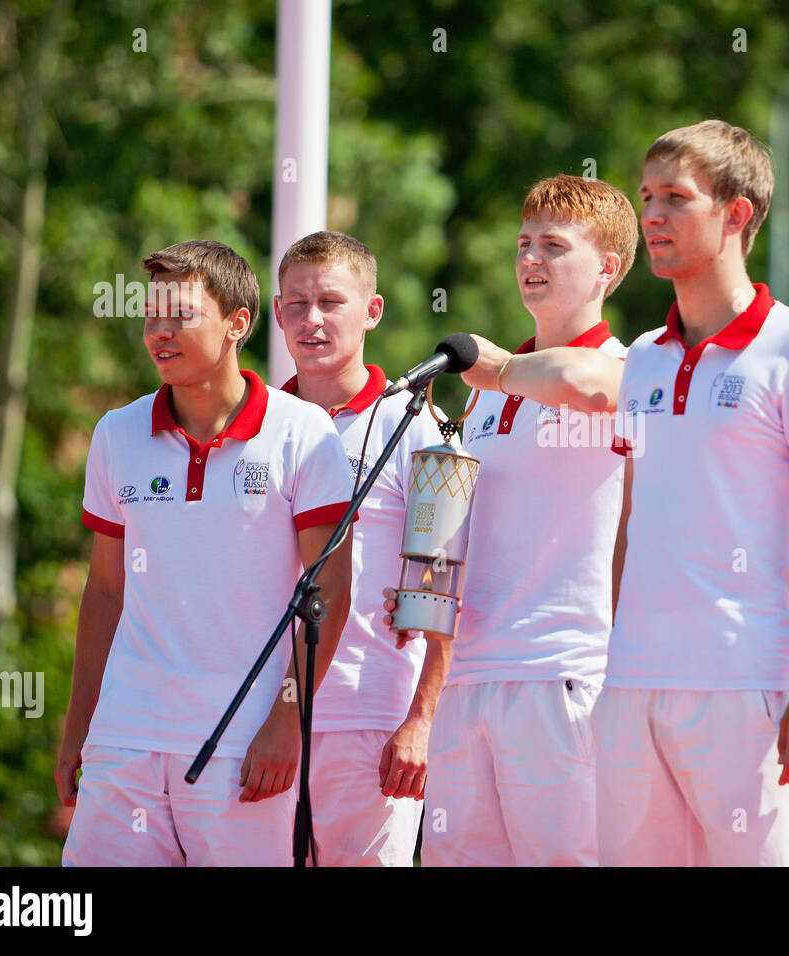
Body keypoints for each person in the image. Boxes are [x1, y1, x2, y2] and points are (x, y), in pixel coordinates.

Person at [597, 119, 789, 866]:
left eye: (675, 198)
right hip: (632, 686)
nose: (650, 215)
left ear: (738, 214)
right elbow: (630, 518)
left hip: (750, 686)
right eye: (646, 196)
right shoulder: (644, 358)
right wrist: (620, 658)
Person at [57, 240, 354, 866]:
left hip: (242, 744)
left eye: (181, 315)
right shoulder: (117, 433)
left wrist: (286, 720)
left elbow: (329, 592)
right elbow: (106, 589)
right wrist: (80, 725)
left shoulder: (303, 433)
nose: (159, 333)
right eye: (150, 316)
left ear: (237, 324)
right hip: (125, 739)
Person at [385, 173, 638, 866]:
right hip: (469, 678)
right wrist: (420, 588)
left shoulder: (630, 365)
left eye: (554, 245)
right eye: (524, 242)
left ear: (607, 268)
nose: (531, 258)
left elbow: (591, 386)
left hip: (567, 675)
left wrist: (496, 370)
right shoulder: (489, 393)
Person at [273, 231, 448, 866]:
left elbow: (446, 583)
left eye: (330, 302)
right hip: (259, 717)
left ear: (372, 312)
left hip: (371, 721)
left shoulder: (419, 428)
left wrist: (421, 721)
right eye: (295, 304)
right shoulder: (258, 424)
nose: (311, 320)